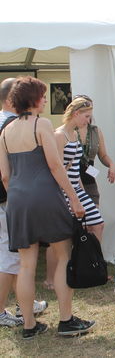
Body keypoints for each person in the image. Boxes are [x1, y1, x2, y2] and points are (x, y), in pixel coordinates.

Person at [0, 76, 94, 339]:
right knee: (63, 256)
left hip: (17, 200)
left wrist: (17, 198)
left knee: (26, 265)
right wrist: (74, 198)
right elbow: (55, 166)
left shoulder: (5, 131)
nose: (44, 100)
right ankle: (66, 320)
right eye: (42, 96)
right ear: (33, 99)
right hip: (45, 196)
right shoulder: (41, 124)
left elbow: (5, 176)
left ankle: (29, 326)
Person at [0, 78, 47, 328]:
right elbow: (7, 173)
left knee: (16, 257)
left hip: (9, 198)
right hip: (10, 199)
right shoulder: (12, 124)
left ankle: (23, 305)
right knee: (11, 258)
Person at [54, 98, 105, 239]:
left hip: (76, 187)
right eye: (86, 116)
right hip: (64, 190)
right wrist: (72, 196)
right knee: (79, 229)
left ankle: (93, 254)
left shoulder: (74, 134)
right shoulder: (59, 135)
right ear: (76, 113)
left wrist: (82, 191)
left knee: (97, 224)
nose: (88, 121)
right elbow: (56, 167)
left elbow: (75, 168)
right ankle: (86, 253)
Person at [72, 94, 115, 207]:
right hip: (72, 182)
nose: (89, 114)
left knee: (94, 216)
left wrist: (111, 165)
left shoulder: (95, 131)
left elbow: (103, 155)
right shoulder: (66, 131)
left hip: (89, 181)